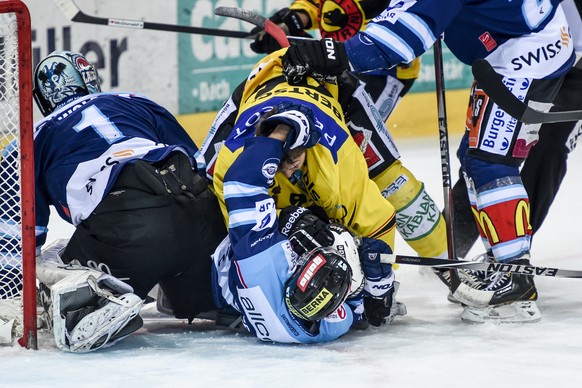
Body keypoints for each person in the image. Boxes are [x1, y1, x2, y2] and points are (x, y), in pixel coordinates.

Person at [279, 0, 575, 323]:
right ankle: (503, 261)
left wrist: (335, 54)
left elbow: (407, 33)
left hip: (524, 54)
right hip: (528, 45)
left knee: (490, 160)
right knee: (476, 158)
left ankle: (515, 279)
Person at [0, 50, 227, 351]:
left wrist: (10, 292)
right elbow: (200, 165)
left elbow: (19, 235)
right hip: (200, 220)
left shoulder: (33, 137)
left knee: (52, 258)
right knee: (187, 294)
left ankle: (98, 302)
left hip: (128, 230)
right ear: (89, 79)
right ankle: (212, 295)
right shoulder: (136, 101)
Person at [245, 1, 447, 260]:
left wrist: (306, 41)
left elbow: (356, 14)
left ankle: (444, 261)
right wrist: (295, 21)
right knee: (323, 165)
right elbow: (319, 6)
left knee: (379, 172)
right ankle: (345, 259)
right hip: (333, 71)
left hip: (382, 70)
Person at [210, 93, 402, 342]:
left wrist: (278, 134)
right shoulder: (332, 325)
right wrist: (378, 286)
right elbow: (365, 312)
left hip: (221, 273)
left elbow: (241, 183)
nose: (288, 170)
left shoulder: (259, 257)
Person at [451, 0, 582, 258]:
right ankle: (451, 246)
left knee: (550, 148)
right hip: (537, 58)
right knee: (487, 149)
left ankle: (512, 256)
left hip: (575, 71)